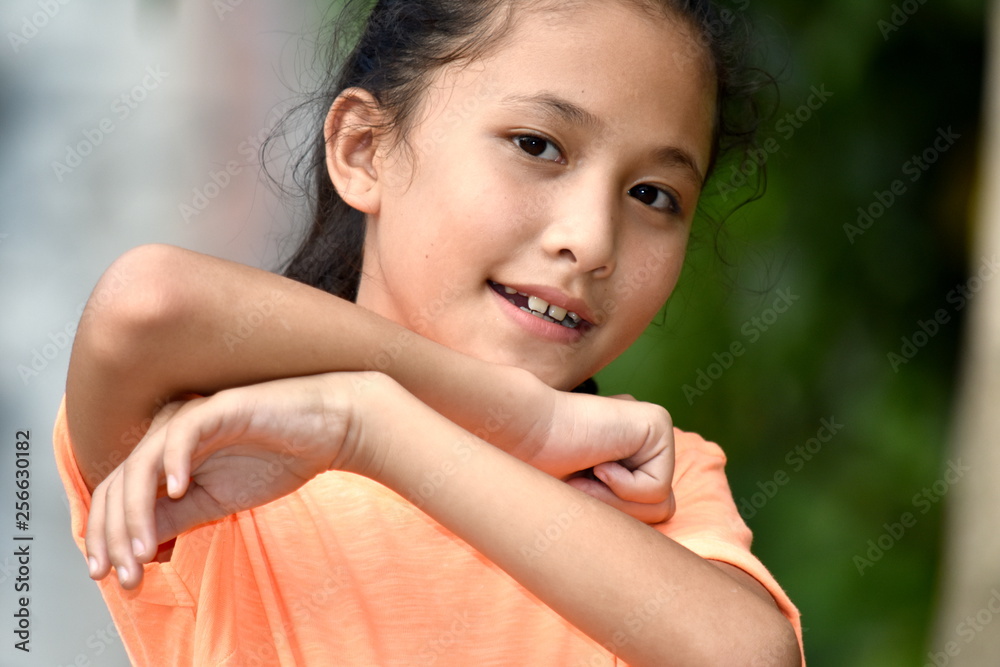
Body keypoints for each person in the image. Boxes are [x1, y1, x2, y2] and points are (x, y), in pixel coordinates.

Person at [56, 0, 804, 664]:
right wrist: (527, 422)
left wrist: (371, 425)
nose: (592, 240)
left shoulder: (648, 481)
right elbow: (145, 306)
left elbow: (751, 656)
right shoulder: (217, 438)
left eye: (652, 194)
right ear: (364, 148)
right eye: (537, 145)